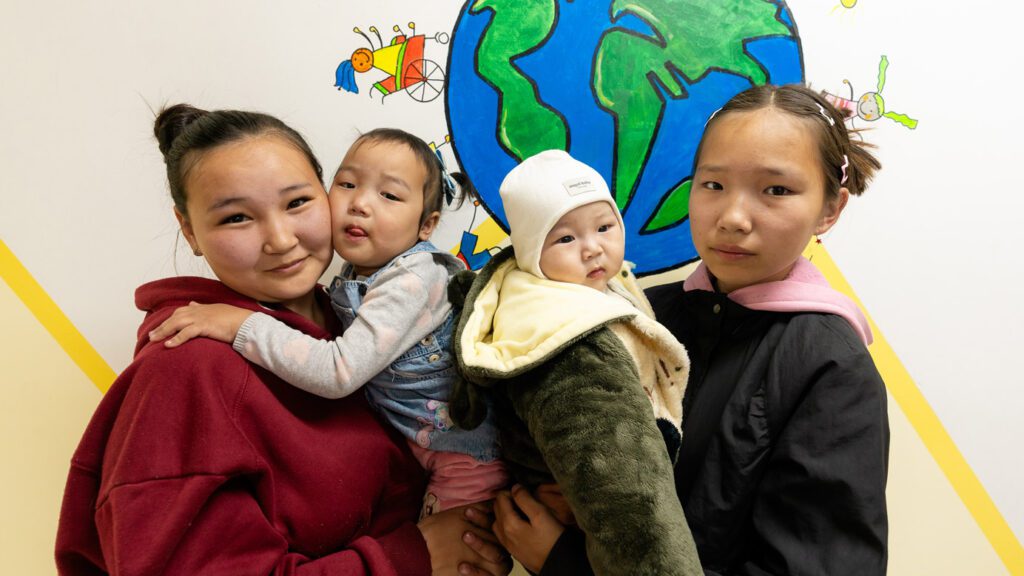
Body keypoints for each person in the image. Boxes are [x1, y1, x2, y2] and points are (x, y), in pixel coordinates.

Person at [55, 105, 511, 576]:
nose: (279, 239)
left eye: (297, 203)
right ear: (189, 229)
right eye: (236, 217)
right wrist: (408, 555)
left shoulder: (357, 320)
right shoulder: (184, 369)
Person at [509, 84, 891, 575]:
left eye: (776, 189)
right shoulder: (640, 313)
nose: (732, 218)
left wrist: (567, 562)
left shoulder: (833, 368)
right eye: (713, 185)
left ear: (829, 209)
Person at [148, 127, 507, 518]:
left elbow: (339, 371)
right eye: (348, 183)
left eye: (389, 195)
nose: (360, 204)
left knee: (462, 547)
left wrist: (242, 325)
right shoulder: (360, 276)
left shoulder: (412, 280)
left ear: (426, 225)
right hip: (425, 445)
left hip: (464, 454)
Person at [448, 150, 702, 576]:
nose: (593, 249)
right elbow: (630, 506)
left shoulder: (604, 288)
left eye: (605, 227)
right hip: (574, 512)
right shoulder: (565, 332)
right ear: (531, 251)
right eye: (565, 238)